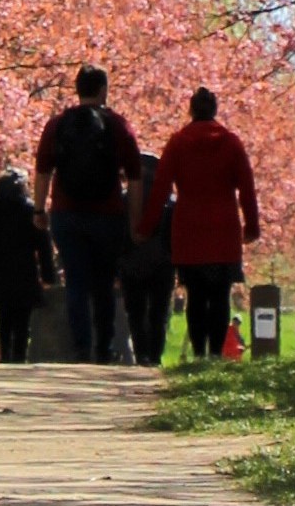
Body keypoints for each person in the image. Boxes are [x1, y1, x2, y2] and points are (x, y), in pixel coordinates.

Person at [137, 86, 261, 366]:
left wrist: (147, 226)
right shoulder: (231, 143)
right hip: (224, 227)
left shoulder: (178, 143)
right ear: (215, 110)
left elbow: (160, 189)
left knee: (195, 294)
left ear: (191, 110)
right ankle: (216, 353)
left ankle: (199, 353)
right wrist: (252, 225)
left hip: (189, 227)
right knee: (219, 294)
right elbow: (247, 188)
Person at [33, 65, 145, 362]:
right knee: (104, 283)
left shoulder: (57, 124)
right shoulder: (118, 125)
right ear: (103, 90)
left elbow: (43, 171)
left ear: (77, 89)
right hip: (107, 215)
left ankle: (82, 347)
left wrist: (39, 208)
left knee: (76, 281)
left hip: (66, 214)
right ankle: (104, 348)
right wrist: (134, 221)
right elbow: (135, 177)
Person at [0, 171, 55, 363]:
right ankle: (19, 357)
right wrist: (48, 276)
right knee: (23, 320)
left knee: (4, 319)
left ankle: (4, 356)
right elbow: (44, 246)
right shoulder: (31, 210)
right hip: (25, 273)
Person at [119, 172, 176, 364]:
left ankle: (141, 353)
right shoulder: (170, 203)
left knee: (135, 312)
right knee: (158, 312)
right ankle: (155, 355)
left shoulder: (123, 200)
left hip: (130, 263)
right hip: (163, 264)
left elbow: (117, 234)